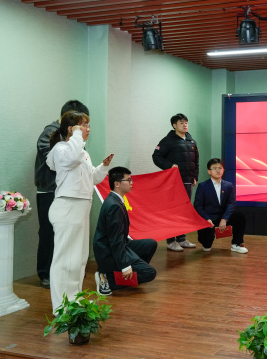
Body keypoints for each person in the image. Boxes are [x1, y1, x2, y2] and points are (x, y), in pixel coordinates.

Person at [46, 110, 113, 313]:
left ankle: (73, 300)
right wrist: (77, 135)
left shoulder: (81, 151)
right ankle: (61, 307)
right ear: (71, 129)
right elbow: (71, 160)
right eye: (83, 125)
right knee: (64, 260)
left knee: (78, 259)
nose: (88, 129)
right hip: (67, 207)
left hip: (81, 207)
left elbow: (92, 178)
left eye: (87, 125)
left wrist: (103, 167)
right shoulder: (61, 148)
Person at [34, 100, 89, 289]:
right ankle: (46, 273)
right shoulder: (51, 132)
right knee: (49, 233)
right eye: (82, 123)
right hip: (50, 190)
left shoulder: (73, 136)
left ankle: (67, 271)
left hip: (69, 191)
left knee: (69, 235)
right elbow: (59, 160)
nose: (85, 127)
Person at [93, 167, 157, 295]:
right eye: (128, 180)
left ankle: (128, 274)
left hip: (121, 244)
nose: (131, 183)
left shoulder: (116, 200)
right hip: (108, 251)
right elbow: (115, 240)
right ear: (117, 184)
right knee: (149, 273)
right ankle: (107, 279)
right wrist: (125, 265)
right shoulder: (114, 205)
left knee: (150, 244)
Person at [152, 113, 199, 251]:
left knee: (184, 212)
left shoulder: (191, 141)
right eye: (181, 123)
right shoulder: (168, 141)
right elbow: (156, 156)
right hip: (173, 182)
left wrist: (195, 176)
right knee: (173, 212)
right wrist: (169, 166)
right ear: (174, 125)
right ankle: (171, 241)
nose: (185, 125)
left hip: (188, 182)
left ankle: (182, 239)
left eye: (186, 122)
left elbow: (196, 161)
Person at [194, 158, 248, 253]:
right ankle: (206, 241)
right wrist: (206, 219)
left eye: (220, 168)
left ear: (223, 170)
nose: (218, 170)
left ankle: (236, 244)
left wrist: (224, 219)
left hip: (223, 216)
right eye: (214, 168)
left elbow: (231, 203)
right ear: (209, 171)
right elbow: (198, 206)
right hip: (209, 218)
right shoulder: (203, 186)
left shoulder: (228, 186)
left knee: (239, 216)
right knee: (206, 246)